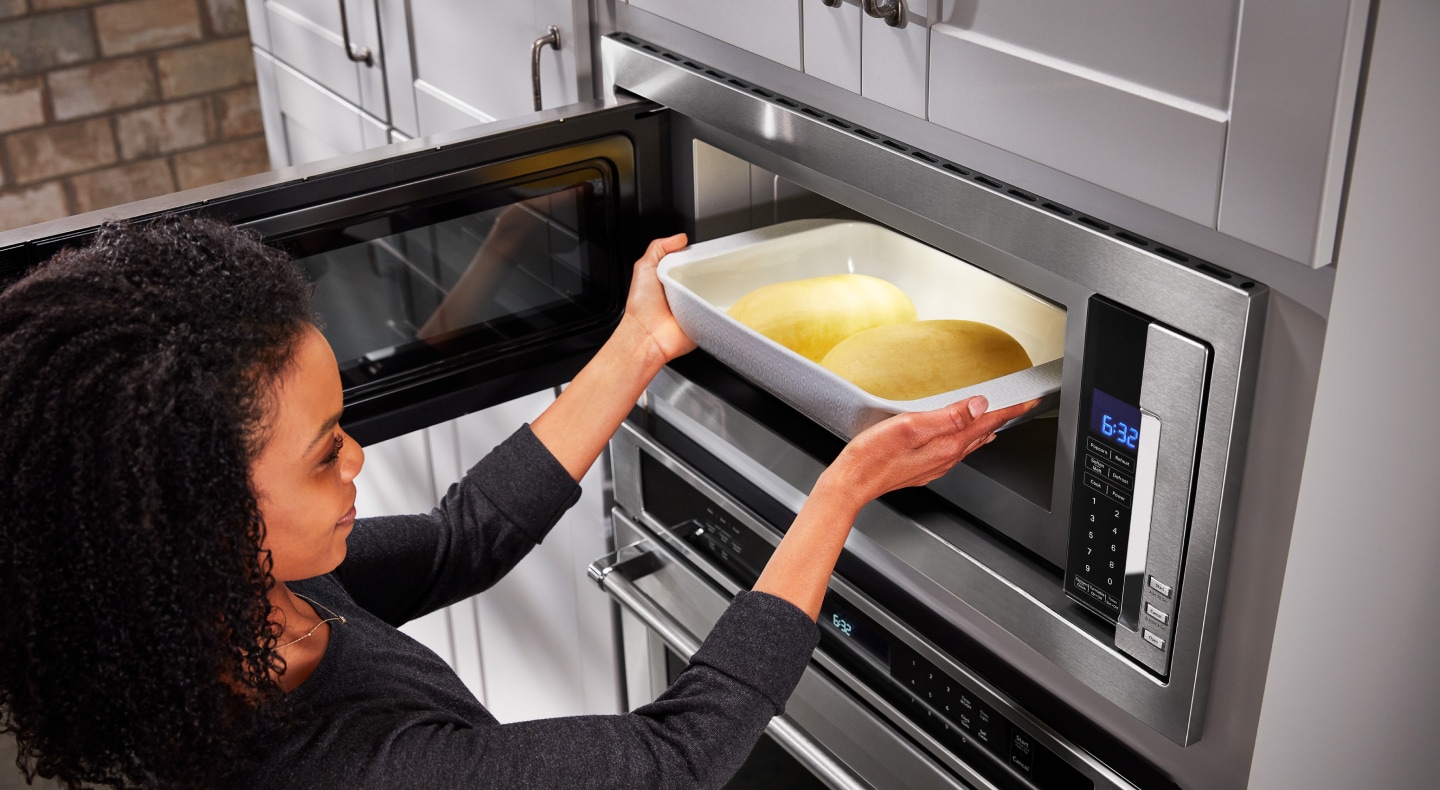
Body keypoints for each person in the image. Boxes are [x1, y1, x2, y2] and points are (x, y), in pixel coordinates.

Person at [0, 215, 1032, 788]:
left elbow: (463, 535)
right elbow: (674, 757)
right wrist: (842, 489)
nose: (359, 458)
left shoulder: (237, 607)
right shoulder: (359, 770)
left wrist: (640, 342)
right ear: (202, 525)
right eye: (323, 454)